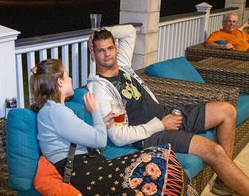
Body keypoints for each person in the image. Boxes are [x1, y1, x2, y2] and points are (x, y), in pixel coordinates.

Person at [87, 24, 249, 195]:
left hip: (168, 113)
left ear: (116, 48)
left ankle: (223, 183)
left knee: (227, 110)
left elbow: (128, 31)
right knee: (214, 150)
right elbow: (119, 137)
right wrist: (161, 125)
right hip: (152, 134)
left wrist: (98, 31)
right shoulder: (100, 89)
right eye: (100, 50)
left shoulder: (123, 66)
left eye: (110, 48)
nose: (107, 54)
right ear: (93, 53)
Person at [30, 59, 196, 196]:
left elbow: (85, 135)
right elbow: (100, 141)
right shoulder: (55, 111)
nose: (71, 79)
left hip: (88, 167)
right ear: (59, 82)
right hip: (82, 173)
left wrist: (102, 121)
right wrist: (95, 110)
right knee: (157, 157)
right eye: (67, 76)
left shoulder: (54, 110)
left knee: (149, 179)